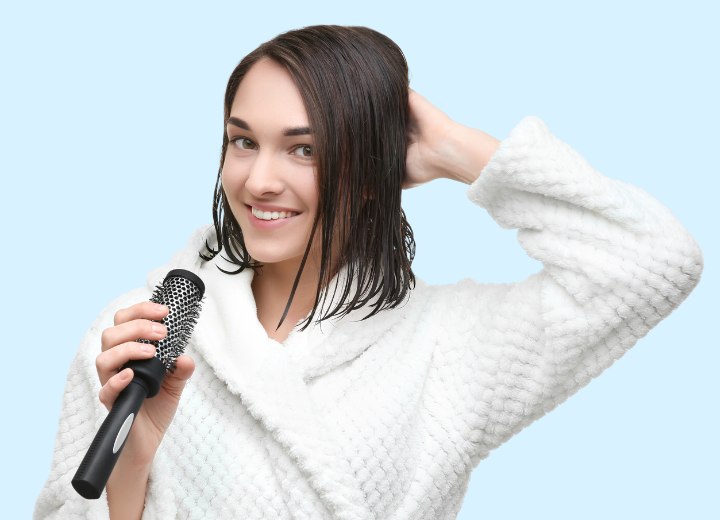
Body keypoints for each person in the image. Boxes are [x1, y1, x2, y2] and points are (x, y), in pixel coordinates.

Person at [35, 25, 703, 520]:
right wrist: (134, 461)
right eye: (243, 141)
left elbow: (654, 258)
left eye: (305, 149)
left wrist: (454, 149)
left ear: (371, 169)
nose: (259, 180)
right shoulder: (139, 335)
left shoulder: (453, 345)